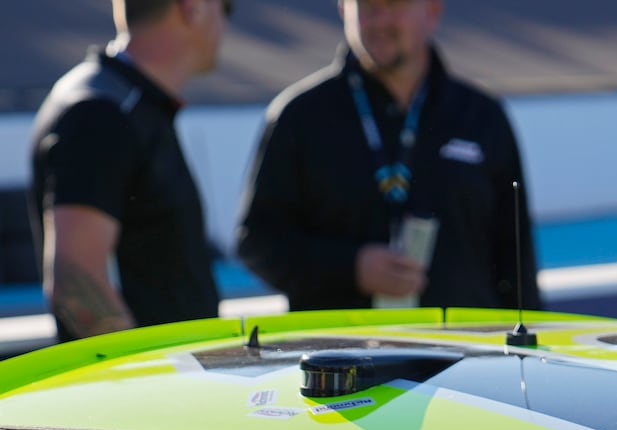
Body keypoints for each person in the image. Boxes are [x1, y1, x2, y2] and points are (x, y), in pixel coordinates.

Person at [235, 0, 538, 313]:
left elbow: (517, 256)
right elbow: (257, 244)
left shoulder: (482, 117)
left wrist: (531, 349)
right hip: (344, 354)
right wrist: (351, 268)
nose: (379, 20)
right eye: (366, 6)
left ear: (432, 10)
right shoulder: (299, 117)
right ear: (343, 9)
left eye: (393, 5)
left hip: (466, 353)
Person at [28, 0, 229, 343]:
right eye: (227, 7)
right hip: (145, 389)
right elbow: (75, 280)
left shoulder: (122, 101)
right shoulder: (101, 112)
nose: (226, 22)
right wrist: (145, 383)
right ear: (193, 7)